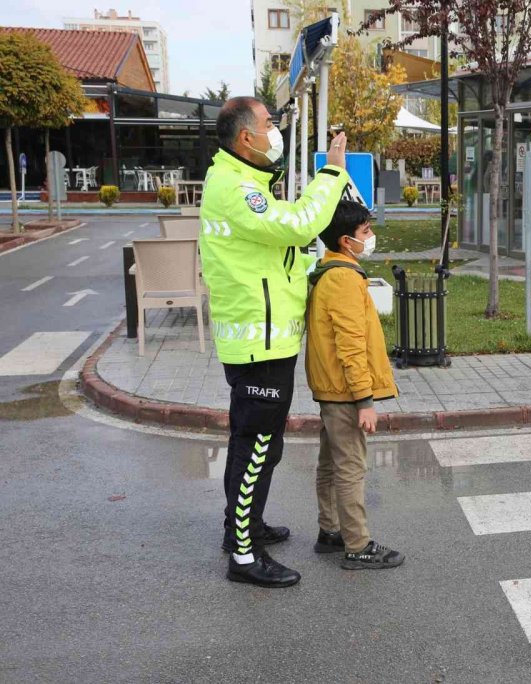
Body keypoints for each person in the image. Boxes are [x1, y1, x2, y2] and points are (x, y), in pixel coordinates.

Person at [200, 96, 350, 587]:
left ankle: (243, 528)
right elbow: (300, 224)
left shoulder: (244, 183)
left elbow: (281, 247)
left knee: (261, 443)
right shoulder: (238, 188)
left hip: (266, 339)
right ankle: (243, 555)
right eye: (269, 123)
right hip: (258, 344)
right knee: (256, 445)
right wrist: (331, 173)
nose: (275, 131)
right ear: (246, 137)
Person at [305, 199, 404, 570]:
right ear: (347, 241)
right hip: (346, 392)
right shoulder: (345, 279)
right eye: (366, 232)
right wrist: (364, 399)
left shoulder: (329, 271)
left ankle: (330, 530)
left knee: (331, 463)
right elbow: (351, 345)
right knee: (350, 467)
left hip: (331, 388)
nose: (371, 237)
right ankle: (358, 544)